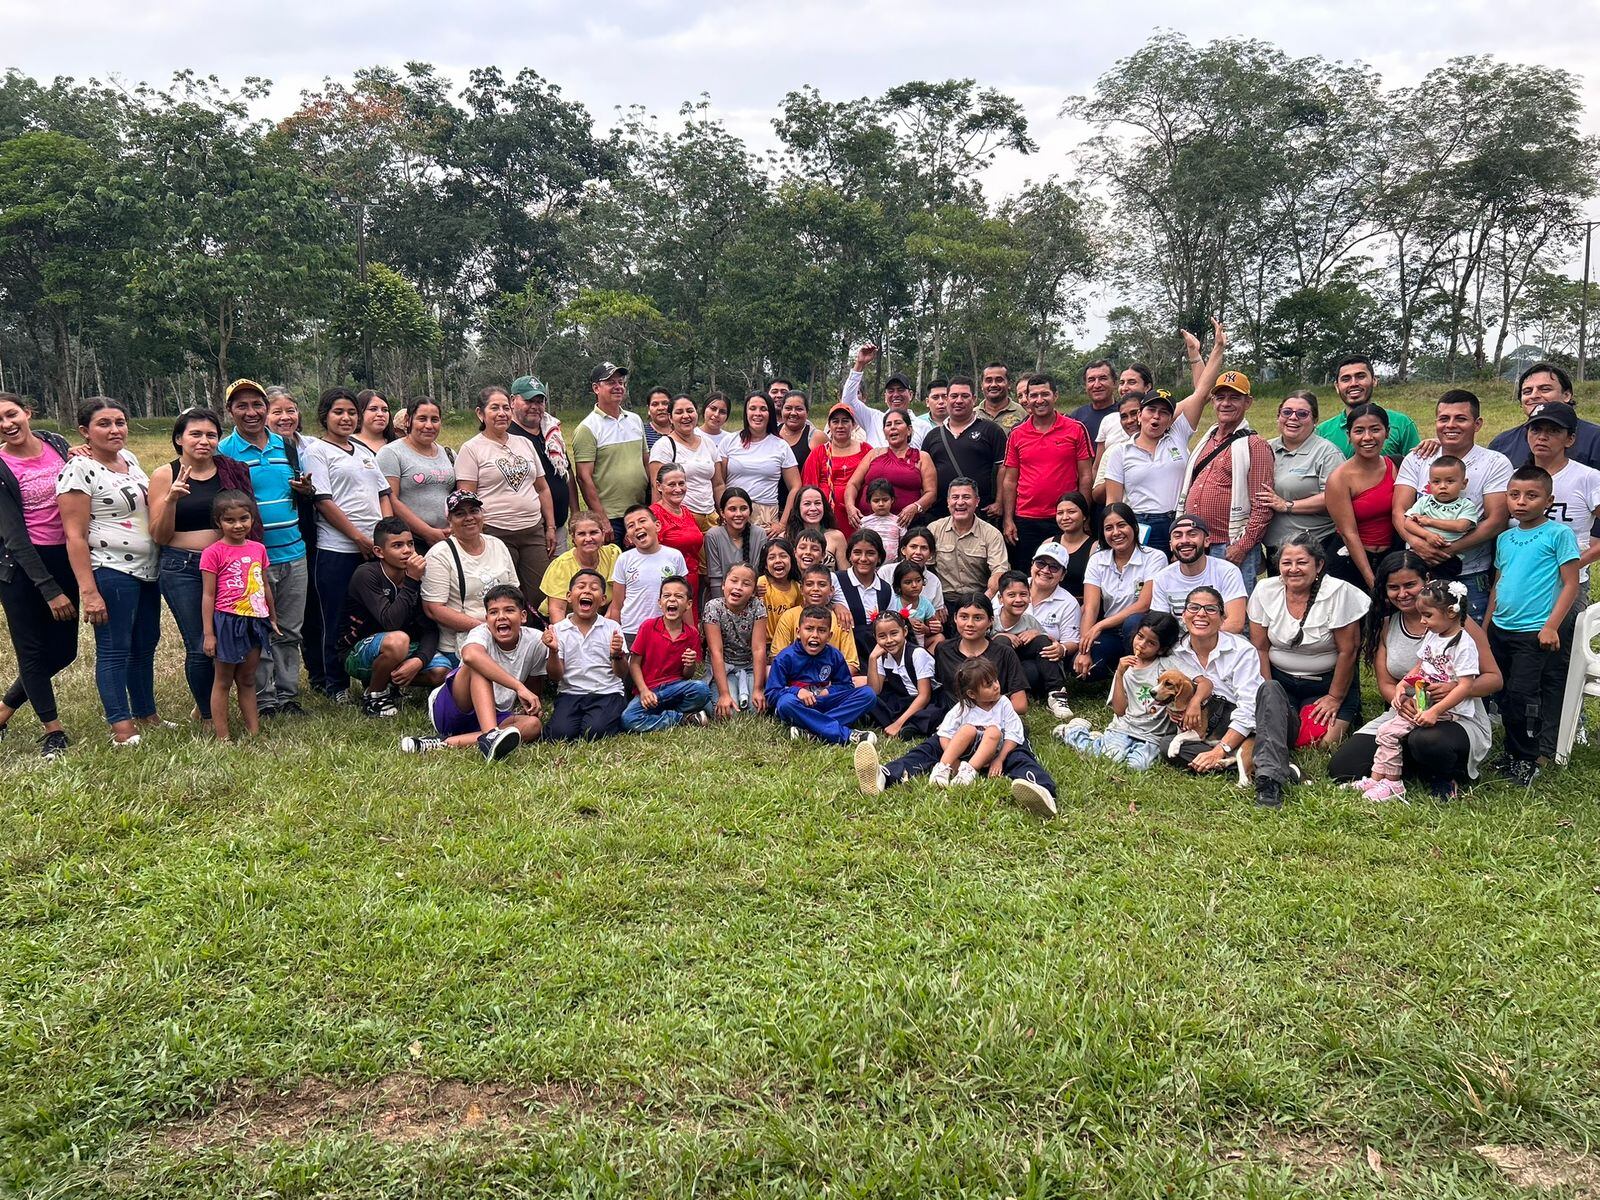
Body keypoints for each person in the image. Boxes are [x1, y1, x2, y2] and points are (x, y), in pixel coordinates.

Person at [1327, 551, 1502, 799]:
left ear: (1426, 581)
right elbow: (1386, 683)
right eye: (1393, 587)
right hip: (1408, 711)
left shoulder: (1458, 626)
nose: (1402, 594)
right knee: (1343, 767)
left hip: (1455, 715)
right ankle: (1404, 768)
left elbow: (1494, 679)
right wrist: (1401, 699)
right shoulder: (1385, 625)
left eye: (1410, 585)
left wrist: (1455, 688)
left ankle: (1445, 773)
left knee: (1426, 740)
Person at [57, 398, 167, 748]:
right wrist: (89, 592)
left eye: (120, 422)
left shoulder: (129, 460)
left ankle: (147, 713)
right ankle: (121, 725)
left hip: (147, 569)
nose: (115, 429)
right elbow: (74, 536)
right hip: (110, 568)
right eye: (104, 424)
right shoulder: (78, 469)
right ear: (84, 431)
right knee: (114, 648)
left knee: (145, 642)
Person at [148, 407, 258, 725]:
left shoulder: (230, 471)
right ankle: (209, 715)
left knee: (228, 639)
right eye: (195, 434)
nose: (203, 441)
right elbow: (159, 535)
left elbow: (246, 517)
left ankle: (209, 703)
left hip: (228, 566)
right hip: (182, 567)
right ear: (178, 439)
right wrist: (171, 499)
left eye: (211, 435)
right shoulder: (165, 475)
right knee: (200, 645)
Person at [852, 656, 1058, 818]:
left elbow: (1013, 734)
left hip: (999, 748)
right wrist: (953, 761)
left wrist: (999, 759)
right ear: (971, 694)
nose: (996, 686)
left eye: (995, 680)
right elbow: (944, 734)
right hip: (963, 750)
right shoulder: (963, 707)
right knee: (928, 748)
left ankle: (1041, 790)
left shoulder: (1004, 703)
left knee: (1021, 755)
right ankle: (885, 776)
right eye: (989, 685)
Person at [220, 379, 312, 718]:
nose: (251, 412)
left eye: (257, 405)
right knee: (258, 630)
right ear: (230, 411)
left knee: (289, 630)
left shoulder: (286, 446)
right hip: (250, 558)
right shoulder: (224, 451)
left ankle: (287, 695)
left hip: (294, 552)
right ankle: (264, 699)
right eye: (241, 406)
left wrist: (304, 490)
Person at [1487, 465, 1581, 786]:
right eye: (1514, 495)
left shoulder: (1559, 534)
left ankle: (1528, 759)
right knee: (1504, 695)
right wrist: (1487, 627)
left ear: (1549, 501)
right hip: (1501, 629)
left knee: (1524, 694)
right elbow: (1498, 584)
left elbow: (1571, 584)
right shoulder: (1505, 538)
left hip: (1534, 631)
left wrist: (1551, 626)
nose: (1521, 502)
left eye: (1531, 495)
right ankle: (1511, 753)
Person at [1350, 579, 1482, 802]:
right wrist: (1403, 684)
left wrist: (1435, 711)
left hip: (1447, 710)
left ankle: (1394, 783)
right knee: (1385, 731)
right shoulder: (1433, 635)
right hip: (1424, 702)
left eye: (1428, 615)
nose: (1422, 621)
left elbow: (1466, 686)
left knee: (1392, 733)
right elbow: (1421, 665)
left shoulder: (1464, 644)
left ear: (1451, 612)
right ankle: (1377, 778)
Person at [0, 392, 78, 755]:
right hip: (21, 568)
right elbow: (14, 535)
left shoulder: (55, 443)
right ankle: (53, 731)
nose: (6, 424)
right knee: (31, 651)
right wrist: (48, 589)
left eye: (11, 414)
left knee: (64, 651)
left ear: (27, 412)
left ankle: (3, 711)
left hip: (66, 557)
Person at [1391, 390, 1512, 622]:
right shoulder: (1417, 458)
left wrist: (1448, 549)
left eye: (1461, 418)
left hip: (1469, 571)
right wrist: (1418, 543)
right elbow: (1399, 511)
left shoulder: (1494, 462)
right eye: (1444, 418)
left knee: (1467, 634)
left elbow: (1496, 520)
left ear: (1477, 424)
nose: (1450, 425)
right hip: (1417, 570)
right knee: (1418, 635)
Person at [306, 387, 394, 697]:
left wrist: (384, 536)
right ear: (325, 416)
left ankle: (373, 679)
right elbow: (323, 501)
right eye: (338, 412)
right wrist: (358, 537)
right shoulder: (317, 451)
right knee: (335, 616)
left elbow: (383, 494)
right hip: (338, 549)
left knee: (371, 616)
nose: (346, 418)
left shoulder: (364, 451)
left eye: (351, 413)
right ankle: (336, 684)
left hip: (373, 549)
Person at [1247, 533, 1370, 747]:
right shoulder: (1265, 590)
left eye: (1302, 562)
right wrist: (1269, 693)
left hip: (1326, 684)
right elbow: (1260, 648)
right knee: (1278, 734)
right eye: (1287, 563)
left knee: (1320, 743)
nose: (1293, 569)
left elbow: (1348, 651)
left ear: (1319, 565)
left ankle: (1335, 707)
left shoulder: (1339, 592)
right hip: (1280, 681)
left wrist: (1334, 697)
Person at [401, 583, 545, 760]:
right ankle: (491, 735)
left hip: (494, 714)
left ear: (523, 616)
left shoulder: (535, 640)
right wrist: (518, 687)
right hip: (453, 708)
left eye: (509, 610)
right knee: (476, 665)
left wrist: (531, 706)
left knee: (533, 725)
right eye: (493, 612)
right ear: (487, 618)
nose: (501, 617)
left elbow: (534, 681)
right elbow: (470, 656)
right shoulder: (481, 632)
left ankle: (441, 743)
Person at [1163, 585, 1274, 802]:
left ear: (1223, 618)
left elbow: (1249, 707)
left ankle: (1238, 757)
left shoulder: (1242, 650)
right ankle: (1245, 762)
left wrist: (1221, 749)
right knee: (1168, 745)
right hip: (1209, 729)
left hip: (1249, 725)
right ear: (1183, 615)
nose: (1201, 614)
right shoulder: (1176, 653)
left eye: (1211, 609)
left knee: (1259, 725)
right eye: (1193, 608)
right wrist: (1174, 709)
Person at [455, 386, 557, 613]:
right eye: (494, 408)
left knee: (540, 594)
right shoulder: (471, 449)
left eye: (505, 408)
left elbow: (542, 488)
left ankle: (537, 633)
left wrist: (549, 526)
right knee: (504, 596)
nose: (501, 413)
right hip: (495, 532)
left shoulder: (524, 443)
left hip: (532, 530)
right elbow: (467, 500)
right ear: (480, 413)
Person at [338, 517, 449, 717]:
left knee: (441, 672)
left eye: (410, 544)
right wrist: (412, 580)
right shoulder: (367, 574)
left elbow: (430, 629)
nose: (407, 551)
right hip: (357, 651)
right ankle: (375, 696)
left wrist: (419, 661)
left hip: (401, 648)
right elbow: (390, 621)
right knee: (398, 640)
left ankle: (388, 682)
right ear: (379, 551)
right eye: (397, 545)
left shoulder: (418, 574)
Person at [1179, 369, 1273, 591]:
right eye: (1220, 397)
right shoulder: (1207, 440)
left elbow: (1262, 505)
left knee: (1235, 605)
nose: (1226, 403)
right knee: (1201, 604)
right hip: (1199, 544)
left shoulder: (1255, 445)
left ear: (1248, 402)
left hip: (1230, 544)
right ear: (1213, 401)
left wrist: (1243, 546)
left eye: (1234, 397)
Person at [1056, 610, 1183, 771]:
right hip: (1123, 728)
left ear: (1161, 649)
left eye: (1151, 643)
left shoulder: (1168, 667)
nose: (1141, 645)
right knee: (1111, 758)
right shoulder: (1126, 668)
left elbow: (1195, 682)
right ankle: (1073, 732)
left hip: (1153, 736)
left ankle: (1098, 741)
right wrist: (1120, 673)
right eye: (1140, 636)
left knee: (1136, 766)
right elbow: (1119, 710)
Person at [199, 490, 277, 741]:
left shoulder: (258, 549)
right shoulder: (213, 552)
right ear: (218, 522)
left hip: (255, 621)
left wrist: (272, 617)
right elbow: (208, 595)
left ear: (252, 519)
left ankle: (254, 732)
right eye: (229, 520)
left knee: (247, 678)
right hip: (227, 621)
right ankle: (223, 737)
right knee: (223, 680)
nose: (238, 525)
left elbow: (264, 585)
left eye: (244, 518)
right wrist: (209, 634)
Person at [1000, 374, 1094, 569]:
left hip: (1064, 518)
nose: (1039, 400)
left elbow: (1086, 475)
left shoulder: (1075, 429)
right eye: (1033, 395)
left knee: (1066, 572)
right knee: (1028, 573)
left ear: (1055, 396)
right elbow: (1010, 480)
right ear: (1027, 399)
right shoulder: (1017, 434)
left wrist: (1084, 516)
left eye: (1045, 394)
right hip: (1026, 518)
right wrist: (1008, 519)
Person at [421, 491, 517, 665]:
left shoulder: (497, 544)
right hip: (462, 642)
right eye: (460, 514)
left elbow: (514, 591)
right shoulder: (439, 555)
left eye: (474, 511)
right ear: (449, 520)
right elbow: (433, 609)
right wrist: (486, 627)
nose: (469, 518)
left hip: (504, 633)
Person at [1074, 502, 1167, 680]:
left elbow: (1143, 605)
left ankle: (1138, 671)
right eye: (1109, 528)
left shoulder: (1154, 557)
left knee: (1133, 621)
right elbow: (1091, 607)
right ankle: (1118, 665)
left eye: (1121, 525)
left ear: (1134, 527)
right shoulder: (1097, 560)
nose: (1116, 532)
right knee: (1087, 670)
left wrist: (1099, 626)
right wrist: (1084, 649)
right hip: (1111, 630)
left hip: (1141, 629)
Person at [765, 605, 877, 744]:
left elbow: (846, 685)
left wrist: (829, 691)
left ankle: (810, 731)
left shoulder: (834, 655)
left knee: (868, 694)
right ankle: (847, 735)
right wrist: (797, 691)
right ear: (798, 632)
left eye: (822, 630)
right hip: (800, 705)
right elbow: (772, 693)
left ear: (829, 636)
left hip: (825, 701)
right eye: (809, 629)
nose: (815, 635)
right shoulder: (785, 657)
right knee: (786, 703)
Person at [1258, 391, 1343, 565]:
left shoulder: (1327, 453)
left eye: (1302, 414)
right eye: (1287, 412)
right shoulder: (1264, 448)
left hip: (1316, 548)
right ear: (1278, 416)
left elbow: (1335, 497)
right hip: (1276, 550)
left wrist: (1287, 505)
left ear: (1315, 420)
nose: (1293, 418)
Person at [544, 568, 628, 741]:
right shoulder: (558, 630)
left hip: (606, 692)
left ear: (603, 599)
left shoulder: (612, 627)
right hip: (570, 693)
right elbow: (555, 676)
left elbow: (622, 673)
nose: (587, 591)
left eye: (594, 588)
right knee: (559, 735)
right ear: (569, 596)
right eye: (581, 586)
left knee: (594, 732)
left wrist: (617, 654)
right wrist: (553, 651)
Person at [622, 576, 715, 732]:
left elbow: (687, 675)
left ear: (688, 604)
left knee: (702, 689)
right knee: (628, 718)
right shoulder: (648, 627)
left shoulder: (691, 633)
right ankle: (683, 718)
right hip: (650, 690)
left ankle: (661, 714)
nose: (672, 599)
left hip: (675, 688)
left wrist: (690, 664)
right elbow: (634, 663)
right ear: (660, 603)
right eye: (667, 596)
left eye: (678, 596)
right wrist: (644, 690)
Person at [1522, 402, 1600, 586]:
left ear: (1570, 439)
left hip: (1565, 583)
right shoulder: (1516, 477)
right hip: (1520, 580)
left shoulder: (1587, 478)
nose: (1542, 437)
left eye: (1553, 431)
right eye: (1536, 429)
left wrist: (1576, 563)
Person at [573, 362, 650, 546]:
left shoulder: (635, 420)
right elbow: (584, 478)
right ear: (596, 388)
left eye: (620, 382)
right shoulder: (587, 428)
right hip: (611, 516)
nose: (618, 387)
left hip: (639, 510)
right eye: (610, 382)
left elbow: (646, 463)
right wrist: (602, 518)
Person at [1324, 403, 1398, 588]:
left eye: (1375, 429)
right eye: (1359, 431)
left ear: (1387, 432)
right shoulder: (1339, 478)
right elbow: (1349, 533)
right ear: (1349, 436)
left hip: (1391, 560)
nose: (1367, 437)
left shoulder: (1397, 466)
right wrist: (1371, 580)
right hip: (1351, 563)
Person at [843, 410, 937, 547]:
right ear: (884, 432)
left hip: (906, 527)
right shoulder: (874, 454)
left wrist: (915, 507)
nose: (892, 427)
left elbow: (931, 493)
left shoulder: (922, 457)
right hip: (870, 526)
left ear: (909, 430)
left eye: (898, 423)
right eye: (888, 425)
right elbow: (853, 484)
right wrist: (850, 507)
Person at [921, 376, 1007, 520]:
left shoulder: (991, 430)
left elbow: (1003, 468)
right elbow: (923, 474)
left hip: (981, 514)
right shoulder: (933, 436)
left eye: (965, 396)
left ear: (974, 399)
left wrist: (999, 502)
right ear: (947, 399)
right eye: (954, 396)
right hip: (940, 515)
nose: (959, 401)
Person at [508, 376, 576, 555]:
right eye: (528, 401)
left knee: (559, 572)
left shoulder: (552, 434)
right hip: (528, 530)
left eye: (539, 401)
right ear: (512, 401)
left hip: (558, 527)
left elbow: (567, 473)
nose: (535, 406)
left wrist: (575, 511)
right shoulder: (507, 436)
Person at [1488, 362, 1600, 468]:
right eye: (1527, 391)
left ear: (1566, 395)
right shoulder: (1502, 443)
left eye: (1545, 389)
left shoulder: (1595, 439)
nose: (1534, 395)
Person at [378, 396, 455, 549]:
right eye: (422, 419)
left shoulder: (449, 454)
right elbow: (391, 500)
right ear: (408, 420)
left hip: (448, 539)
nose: (429, 425)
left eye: (434, 420)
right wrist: (427, 532)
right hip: (412, 542)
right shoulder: (391, 453)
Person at [934, 592, 1029, 714]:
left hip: (993, 718)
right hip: (955, 717)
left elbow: (1020, 705)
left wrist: (985, 715)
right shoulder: (943, 650)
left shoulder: (1004, 653)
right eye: (964, 617)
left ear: (990, 621)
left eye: (978, 618)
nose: (970, 624)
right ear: (955, 618)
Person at [1149, 515, 1247, 631]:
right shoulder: (1162, 577)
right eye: (1178, 536)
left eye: (1192, 534)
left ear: (1206, 541)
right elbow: (1160, 626)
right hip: (1178, 641)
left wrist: (1199, 638)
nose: (1184, 541)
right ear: (1170, 545)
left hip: (1220, 639)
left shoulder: (1227, 572)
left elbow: (1235, 624)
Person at [608, 504, 689, 645]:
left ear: (657, 526)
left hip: (667, 628)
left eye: (642, 521)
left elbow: (685, 598)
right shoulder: (624, 559)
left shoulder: (675, 556)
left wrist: (690, 633)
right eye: (631, 525)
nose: (637, 527)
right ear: (629, 537)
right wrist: (615, 635)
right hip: (632, 630)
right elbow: (616, 605)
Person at [1314, 354, 1421, 460]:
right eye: (1346, 379)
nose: (1353, 383)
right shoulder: (1322, 432)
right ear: (1337, 386)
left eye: (1360, 376)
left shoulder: (1402, 424)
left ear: (1374, 381)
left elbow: (1417, 466)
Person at [992, 569, 1073, 702]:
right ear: (1001, 599)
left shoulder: (1030, 621)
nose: (1018, 600)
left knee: (1042, 641)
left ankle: (1056, 692)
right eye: (1011, 595)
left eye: (1023, 594)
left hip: (1023, 668)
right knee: (1002, 641)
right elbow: (978, 645)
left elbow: (1050, 643)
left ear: (1030, 597)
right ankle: (1000, 696)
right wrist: (999, 636)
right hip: (997, 673)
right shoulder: (991, 620)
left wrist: (1037, 633)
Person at [1021, 542, 1082, 717]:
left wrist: (1061, 648)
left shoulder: (1068, 603)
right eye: (1040, 563)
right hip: (1009, 652)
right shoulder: (1014, 587)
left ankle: (1057, 696)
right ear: (1032, 565)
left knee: (1042, 645)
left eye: (1054, 567)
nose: (1045, 570)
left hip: (1042, 661)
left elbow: (1072, 642)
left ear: (1063, 575)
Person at [863, 609, 943, 739]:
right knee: (871, 700)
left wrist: (897, 724)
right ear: (875, 637)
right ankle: (907, 724)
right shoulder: (880, 655)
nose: (889, 640)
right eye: (882, 636)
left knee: (933, 714)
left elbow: (924, 696)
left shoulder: (917, 654)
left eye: (894, 633)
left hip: (927, 701)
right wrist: (872, 658)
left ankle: (907, 726)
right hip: (903, 698)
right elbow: (874, 691)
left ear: (904, 631)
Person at [649, 395, 725, 528]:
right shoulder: (663, 446)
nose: (686, 416)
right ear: (670, 418)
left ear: (697, 413)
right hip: (680, 520)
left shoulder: (708, 443)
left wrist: (723, 512)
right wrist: (659, 524)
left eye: (690, 411)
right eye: (679, 412)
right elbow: (657, 489)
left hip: (711, 517)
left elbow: (718, 485)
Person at [703, 562, 768, 716]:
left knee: (756, 709)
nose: (738, 587)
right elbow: (716, 652)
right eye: (733, 581)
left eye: (746, 584)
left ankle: (750, 687)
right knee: (729, 712)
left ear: (753, 591)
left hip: (749, 666)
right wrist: (724, 694)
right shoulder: (713, 607)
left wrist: (758, 689)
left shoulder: (757, 607)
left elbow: (758, 649)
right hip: (724, 667)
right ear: (723, 585)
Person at [839, 344, 933, 447]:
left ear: (910, 395)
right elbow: (847, 402)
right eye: (891, 391)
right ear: (885, 397)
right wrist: (859, 364)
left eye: (900, 390)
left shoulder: (923, 427)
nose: (895, 395)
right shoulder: (873, 419)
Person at [770, 564, 862, 671]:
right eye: (809, 584)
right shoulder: (789, 616)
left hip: (830, 676)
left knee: (862, 680)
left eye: (822, 585)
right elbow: (777, 657)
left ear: (831, 590)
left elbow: (852, 664)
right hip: (796, 676)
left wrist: (826, 678)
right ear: (801, 589)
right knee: (768, 671)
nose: (815, 589)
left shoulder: (840, 619)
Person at [928, 478, 1009, 598]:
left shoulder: (992, 534)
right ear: (948, 501)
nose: (960, 502)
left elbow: (999, 570)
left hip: (978, 597)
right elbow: (924, 568)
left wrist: (985, 600)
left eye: (966, 497)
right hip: (942, 599)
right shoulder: (934, 529)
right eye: (955, 497)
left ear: (977, 501)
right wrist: (934, 601)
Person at [1397, 456, 1480, 573]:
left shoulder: (1466, 505)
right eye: (1436, 482)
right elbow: (1408, 523)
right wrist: (1427, 535)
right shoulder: (1424, 501)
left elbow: (1461, 526)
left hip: (1447, 557)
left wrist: (1429, 521)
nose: (1442, 486)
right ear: (1429, 484)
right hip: (1417, 553)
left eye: (1450, 481)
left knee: (1443, 583)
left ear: (1464, 483)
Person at [801, 402, 870, 537]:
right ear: (829, 425)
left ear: (853, 424)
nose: (840, 426)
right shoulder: (819, 453)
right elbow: (808, 487)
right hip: (827, 517)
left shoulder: (866, 450)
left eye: (845, 421)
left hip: (859, 514)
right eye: (835, 421)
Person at [540, 512, 620, 621]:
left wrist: (606, 626)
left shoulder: (613, 555)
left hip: (604, 618)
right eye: (582, 534)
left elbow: (619, 598)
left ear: (603, 534)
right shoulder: (561, 565)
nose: (588, 538)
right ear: (573, 538)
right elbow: (557, 610)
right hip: (567, 620)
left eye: (593, 532)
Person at [649, 463, 705, 613]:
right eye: (672, 484)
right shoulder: (653, 515)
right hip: (668, 585)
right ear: (659, 486)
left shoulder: (686, 511)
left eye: (681, 483)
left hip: (691, 582)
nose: (678, 489)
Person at [831, 529, 890, 663]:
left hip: (874, 657)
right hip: (840, 654)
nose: (863, 559)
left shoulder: (885, 589)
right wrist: (834, 606)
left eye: (870, 553)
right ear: (849, 556)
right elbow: (815, 606)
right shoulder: (835, 580)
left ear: (879, 557)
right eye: (857, 552)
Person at [703, 488, 767, 601]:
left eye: (743, 509)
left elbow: (760, 574)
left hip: (752, 599)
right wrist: (721, 607)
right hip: (721, 600)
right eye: (732, 509)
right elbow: (715, 580)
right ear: (722, 513)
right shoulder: (713, 535)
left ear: (750, 511)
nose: (738, 514)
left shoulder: (759, 534)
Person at [880, 527, 946, 621]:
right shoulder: (886, 572)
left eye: (924, 548)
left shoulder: (934, 581)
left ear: (930, 554)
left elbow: (935, 619)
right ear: (903, 550)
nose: (918, 552)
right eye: (913, 547)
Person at [1040, 492, 1097, 602]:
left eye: (1071, 512)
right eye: (1060, 513)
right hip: (1049, 603)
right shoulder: (1048, 543)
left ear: (1084, 516)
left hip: (1082, 605)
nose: (1065, 517)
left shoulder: (1095, 547)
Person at [1091, 395, 1143, 505]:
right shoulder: (1114, 451)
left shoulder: (1167, 445)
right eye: (1124, 417)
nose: (1129, 420)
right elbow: (1097, 495)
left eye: (1134, 413)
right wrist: (1117, 473)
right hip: (1126, 513)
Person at [783, 484, 849, 566]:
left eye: (817, 503)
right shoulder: (785, 537)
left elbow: (844, 571)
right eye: (807, 504)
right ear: (798, 508)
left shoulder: (837, 537)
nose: (813, 508)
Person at [888, 558, 942, 652]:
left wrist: (926, 629)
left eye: (918, 580)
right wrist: (906, 623)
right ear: (898, 585)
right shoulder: (894, 602)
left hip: (920, 644)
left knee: (940, 638)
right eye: (908, 582)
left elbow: (933, 628)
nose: (914, 585)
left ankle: (925, 659)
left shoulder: (925, 603)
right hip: (898, 644)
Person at [775, 390, 816, 498]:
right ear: (782, 410)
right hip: (772, 502)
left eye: (799, 409)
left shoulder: (815, 437)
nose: (793, 413)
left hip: (803, 503)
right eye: (788, 408)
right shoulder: (772, 434)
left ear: (807, 412)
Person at [758, 538, 801, 637]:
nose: (778, 560)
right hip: (764, 641)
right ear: (765, 565)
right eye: (772, 557)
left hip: (787, 641)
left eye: (783, 556)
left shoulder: (797, 588)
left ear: (791, 560)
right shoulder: (761, 583)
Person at [1070, 359, 1119, 442]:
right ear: (1085, 386)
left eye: (1103, 378)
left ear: (1114, 383)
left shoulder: (1124, 414)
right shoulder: (1076, 417)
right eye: (1091, 380)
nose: (1097, 385)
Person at [979, 363, 1026, 431]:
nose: (993, 385)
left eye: (999, 380)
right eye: (989, 381)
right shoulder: (973, 415)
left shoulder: (1023, 413)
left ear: (1009, 384)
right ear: (982, 385)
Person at [643, 386, 674, 452]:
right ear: (648, 409)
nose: (661, 408)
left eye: (665, 403)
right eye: (655, 404)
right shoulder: (642, 432)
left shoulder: (681, 430)